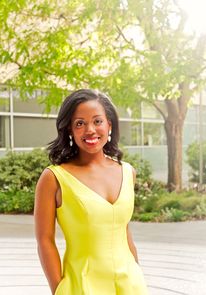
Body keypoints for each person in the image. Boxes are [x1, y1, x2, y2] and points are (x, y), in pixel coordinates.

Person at [34, 89, 149, 295]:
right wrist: (58, 288)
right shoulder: (54, 178)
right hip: (81, 286)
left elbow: (124, 229)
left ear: (109, 125)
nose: (90, 130)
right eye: (80, 123)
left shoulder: (127, 172)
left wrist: (137, 271)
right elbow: (45, 239)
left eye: (97, 121)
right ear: (69, 129)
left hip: (131, 284)